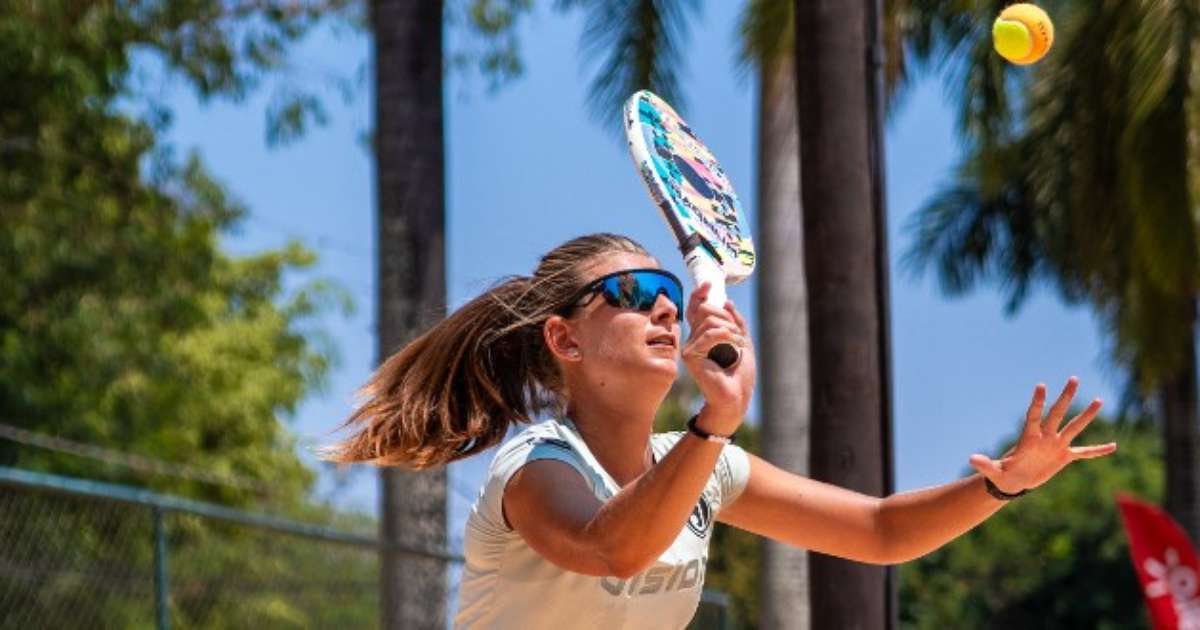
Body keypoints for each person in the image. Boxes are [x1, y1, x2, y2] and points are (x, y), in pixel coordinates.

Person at [323, 233, 1117, 629]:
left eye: (669, 288)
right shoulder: (536, 468)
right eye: (632, 292)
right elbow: (611, 548)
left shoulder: (705, 463)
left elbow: (878, 532)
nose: (666, 306)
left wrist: (1000, 483)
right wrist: (716, 421)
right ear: (564, 340)